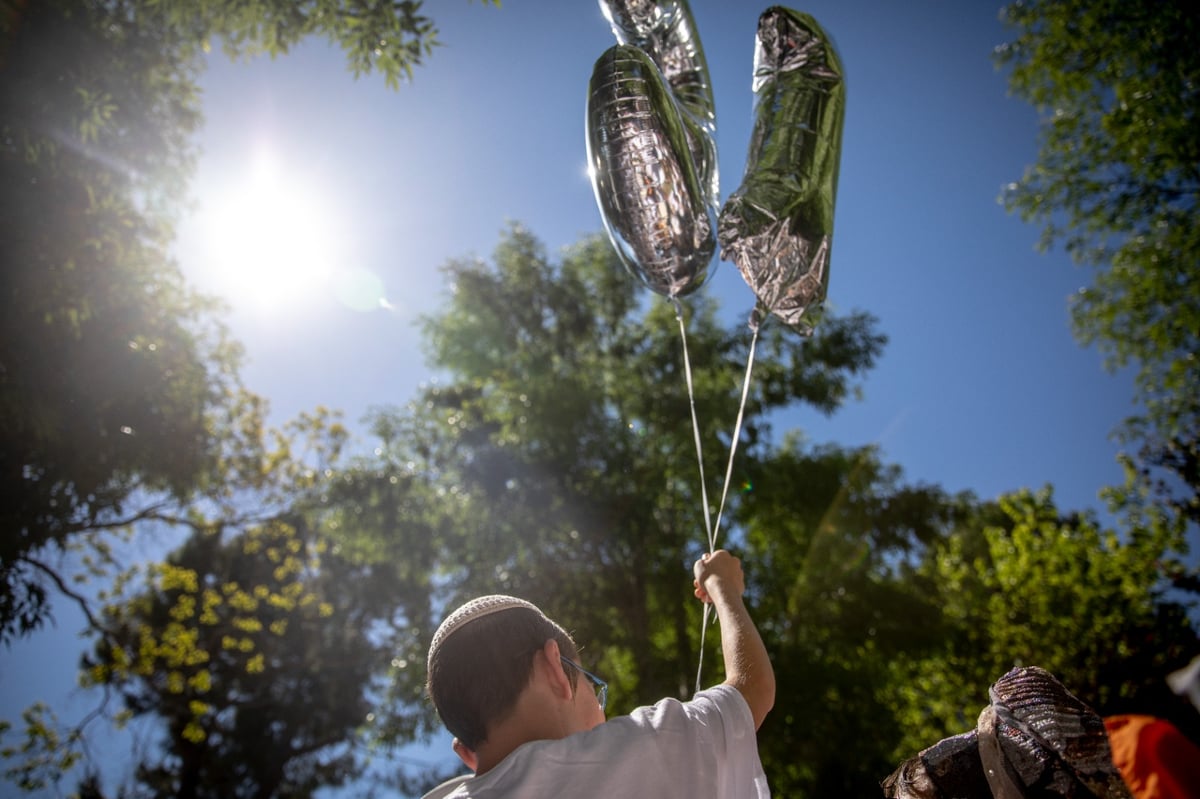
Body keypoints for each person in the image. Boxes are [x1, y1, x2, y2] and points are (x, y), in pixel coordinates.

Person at [423, 549, 775, 797]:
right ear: (555, 668)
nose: (604, 712)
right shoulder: (625, 751)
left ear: (467, 755)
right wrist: (722, 585)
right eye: (594, 686)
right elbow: (752, 690)